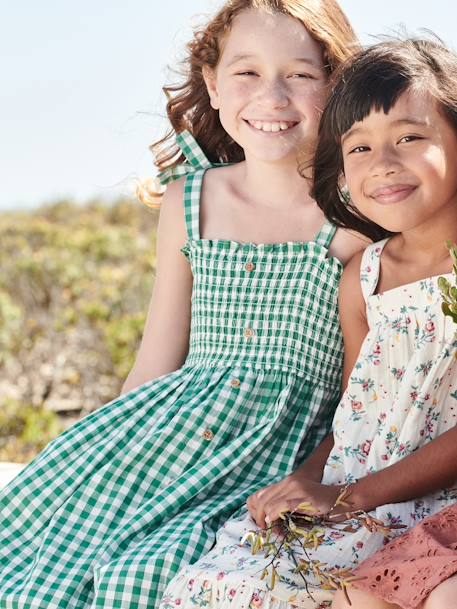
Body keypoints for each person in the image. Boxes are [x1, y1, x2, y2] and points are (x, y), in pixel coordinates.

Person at [0, 1, 364, 608]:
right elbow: (154, 364)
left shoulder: (356, 215)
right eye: (246, 73)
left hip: (277, 449)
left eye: (300, 74)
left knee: (152, 572)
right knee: (43, 567)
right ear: (214, 86)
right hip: (161, 436)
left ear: (336, 85)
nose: (271, 96)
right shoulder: (191, 198)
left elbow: (364, 385)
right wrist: (100, 458)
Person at [158, 38, 457, 609]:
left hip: (420, 502)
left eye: (410, 137)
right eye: (359, 147)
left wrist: (348, 497)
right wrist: (307, 482)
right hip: (355, 491)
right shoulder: (363, 275)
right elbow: (357, 404)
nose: (384, 163)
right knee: (216, 585)